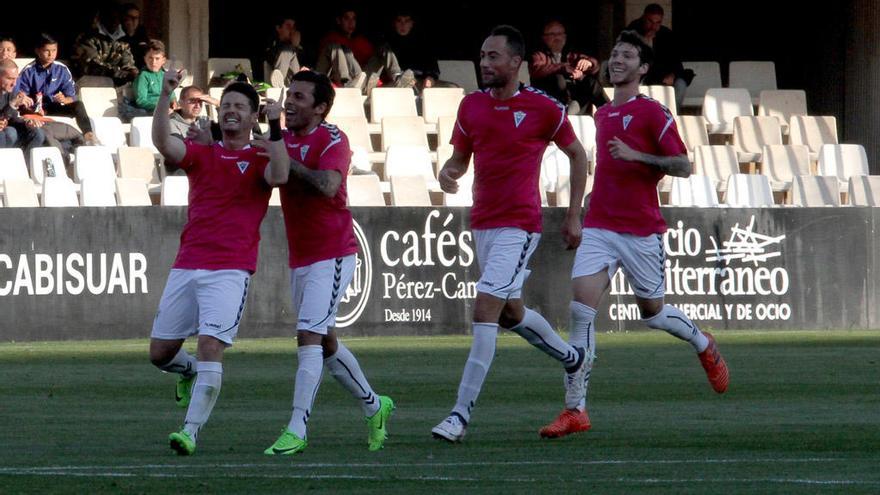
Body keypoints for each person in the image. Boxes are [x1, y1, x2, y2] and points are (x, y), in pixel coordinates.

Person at [537, 31, 729, 439]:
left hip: (641, 230)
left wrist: (638, 155)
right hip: (601, 226)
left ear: (643, 68)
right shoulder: (604, 114)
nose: (618, 59)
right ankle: (576, 409)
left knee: (653, 312)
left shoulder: (653, 113)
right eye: (616, 54)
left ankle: (702, 342)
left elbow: (683, 165)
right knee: (580, 310)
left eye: (628, 55)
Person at [430, 25, 590, 443]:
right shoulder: (471, 107)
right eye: (482, 56)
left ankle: (459, 416)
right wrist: (448, 173)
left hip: (519, 225)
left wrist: (574, 214)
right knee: (509, 313)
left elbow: (578, 155)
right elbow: (458, 161)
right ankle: (572, 358)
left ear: (517, 62)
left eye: (493, 56)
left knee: (484, 309)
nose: (485, 63)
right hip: (482, 222)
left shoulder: (543, 107)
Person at [147, 68, 290, 456]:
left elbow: (281, 175)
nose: (231, 111)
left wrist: (275, 127)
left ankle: (190, 431)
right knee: (160, 354)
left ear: (251, 115)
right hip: (188, 262)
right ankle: (189, 371)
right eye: (226, 104)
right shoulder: (203, 152)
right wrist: (166, 94)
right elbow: (164, 142)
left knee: (211, 345)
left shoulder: (262, 153)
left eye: (240, 106)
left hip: (231, 268)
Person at [263, 70, 394, 455]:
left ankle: (297, 428)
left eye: (300, 97)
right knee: (324, 341)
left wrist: (288, 161)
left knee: (307, 337)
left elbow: (329, 186)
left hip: (333, 253)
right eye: (289, 95)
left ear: (320, 108)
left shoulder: (332, 138)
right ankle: (374, 404)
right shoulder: (281, 138)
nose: (290, 102)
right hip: (301, 256)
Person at [15, 33, 100, 145]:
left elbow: (72, 97)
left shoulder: (62, 69)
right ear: (38, 51)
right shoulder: (28, 71)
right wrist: (33, 108)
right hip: (33, 109)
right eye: (46, 51)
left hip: (52, 106)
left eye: (54, 50)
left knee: (78, 105)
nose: (51, 54)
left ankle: (89, 135)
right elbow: (21, 98)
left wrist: (64, 99)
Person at [316, 7, 413, 91]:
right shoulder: (330, 40)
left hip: (363, 78)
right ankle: (347, 83)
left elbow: (373, 63)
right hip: (346, 81)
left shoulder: (361, 41)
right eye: (346, 18)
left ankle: (397, 76)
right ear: (338, 20)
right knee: (340, 49)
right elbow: (323, 69)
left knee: (384, 49)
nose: (351, 22)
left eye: (354, 19)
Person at [530, 20, 608, 114]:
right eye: (552, 34)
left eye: (560, 34)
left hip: (574, 99)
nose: (557, 38)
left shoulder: (570, 55)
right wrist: (562, 68)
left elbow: (594, 66)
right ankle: (564, 112)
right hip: (549, 99)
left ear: (565, 37)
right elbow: (537, 70)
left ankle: (608, 111)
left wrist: (589, 63)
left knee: (591, 82)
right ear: (544, 38)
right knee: (558, 78)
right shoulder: (538, 55)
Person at [626, 4, 693, 109]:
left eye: (657, 23)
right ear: (643, 18)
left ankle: (670, 116)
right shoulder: (631, 33)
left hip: (662, 78)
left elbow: (676, 61)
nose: (653, 27)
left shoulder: (666, 34)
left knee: (681, 83)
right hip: (640, 77)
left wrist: (673, 75)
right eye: (650, 22)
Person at [73, 2, 139, 86]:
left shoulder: (123, 39)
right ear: (102, 17)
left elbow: (127, 63)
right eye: (111, 17)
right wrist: (120, 73)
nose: (115, 21)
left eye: (118, 17)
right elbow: (93, 66)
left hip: (113, 87)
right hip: (88, 85)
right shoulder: (88, 37)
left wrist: (133, 73)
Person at [378, 11, 439, 90]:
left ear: (412, 23)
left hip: (419, 82)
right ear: (395, 23)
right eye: (399, 21)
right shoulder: (387, 43)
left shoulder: (422, 43)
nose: (403, 25)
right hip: (395, 83)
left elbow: (434, 69)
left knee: (453, 87)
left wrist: (430, 79)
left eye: (406, 21)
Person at [0, 60, 46, 153]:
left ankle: (27, 165)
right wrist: (12, 105)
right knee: (9, 133)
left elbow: (12, 118)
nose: (14, 83)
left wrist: (27, 122)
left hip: (7, 130)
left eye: (16, 79)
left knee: (37, 133)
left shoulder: (11, 91)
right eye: (9, 78)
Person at [264, 15, 307, 87]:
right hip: (287, 82)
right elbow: (269, 57)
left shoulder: (298, 47)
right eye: (288, 27)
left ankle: (278, 86)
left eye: (293, 28)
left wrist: (296, 47)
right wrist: (292, 46)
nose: (292, 30)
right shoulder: (272, 44)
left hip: (301, 80)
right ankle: (278, 86)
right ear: (278, 28)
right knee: (287, 49)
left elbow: (307, 63)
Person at [133, 40, 173, 113]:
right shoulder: (143, 76)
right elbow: (141, 101)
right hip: (150, 111)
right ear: (145, 59)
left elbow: (171, 95)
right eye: (150, 58)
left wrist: (174, 103)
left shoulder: (165, 75)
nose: (153, 62)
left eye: (157, 58)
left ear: (163, 60)